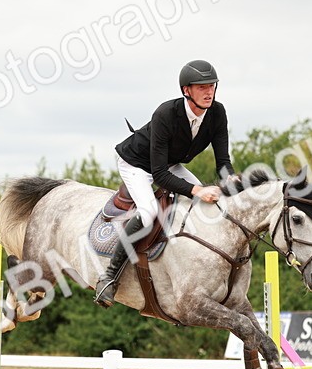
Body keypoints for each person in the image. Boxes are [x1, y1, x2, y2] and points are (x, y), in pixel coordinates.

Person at [93, 59, 235, 307]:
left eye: (212, 85)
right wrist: (198, 190)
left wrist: (233, 182)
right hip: (137, 163)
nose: (208, 91)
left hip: (169, 164)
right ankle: (109, 277)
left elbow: (223, 161)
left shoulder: (218, 113)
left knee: (206, 206)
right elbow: (159, 175)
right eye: (201, 87)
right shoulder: (166, 113)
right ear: (186, 90)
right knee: (148, 212)